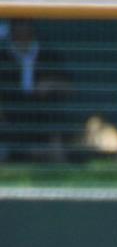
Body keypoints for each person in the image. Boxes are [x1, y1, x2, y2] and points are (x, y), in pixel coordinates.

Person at [0, 18, 73, 162]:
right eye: (17, 25)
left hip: (44, 114)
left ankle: (54, 157)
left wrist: (51, 84)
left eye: (24, 24)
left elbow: (69, 88)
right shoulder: (3, 57)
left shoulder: (48, 55)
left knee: (54, 119)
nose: (21, 30)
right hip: (11, 115)